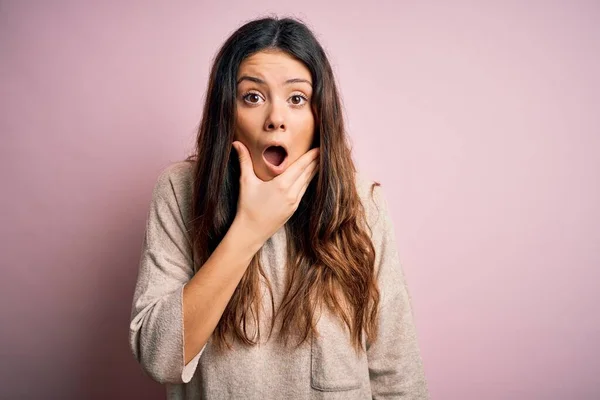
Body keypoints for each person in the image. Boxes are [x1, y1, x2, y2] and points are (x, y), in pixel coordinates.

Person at [129, 15, 429, 400]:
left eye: (297, 99)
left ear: (320, 115)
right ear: (228, 113)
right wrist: (249, 230)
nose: (275, 119)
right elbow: (160, 357)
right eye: (252, 97)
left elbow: (397, 371)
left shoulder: (361, 201)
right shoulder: (179, 190)